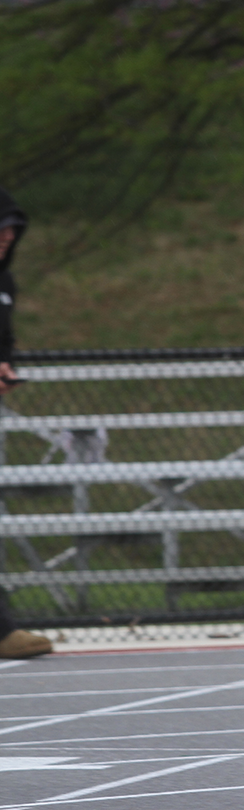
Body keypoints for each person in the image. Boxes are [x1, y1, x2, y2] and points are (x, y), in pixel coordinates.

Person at [0, 187, 51, 660]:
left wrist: (5, 366)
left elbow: (5, 340)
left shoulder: (5, 283)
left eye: (11, 231)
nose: (6, 237)